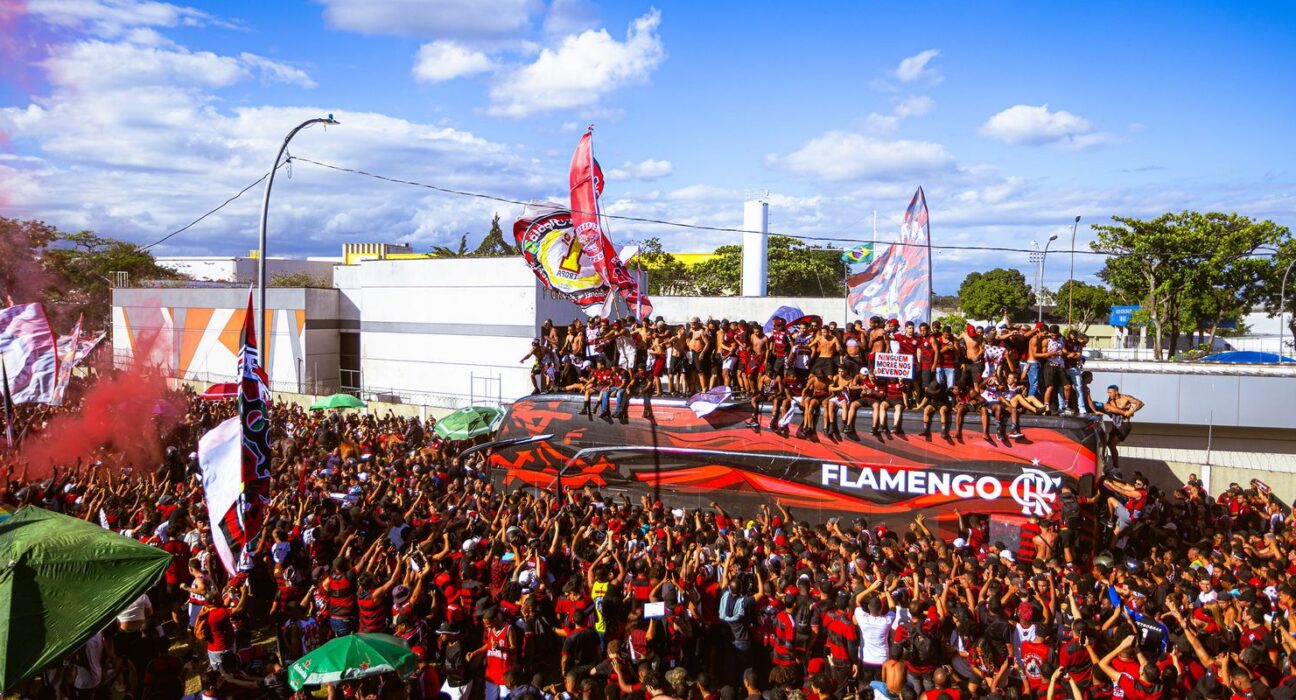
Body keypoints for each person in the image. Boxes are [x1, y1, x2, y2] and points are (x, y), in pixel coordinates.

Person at [1103, 384, 1144, 471]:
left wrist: (1132, 411)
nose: (1109, 394)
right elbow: (1107, 409)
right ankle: (1114, 466)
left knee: (1112, 444)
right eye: (1108, 393)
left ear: (1116, 392)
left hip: (1124, 424)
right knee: (1109, 444)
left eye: (1110, 392)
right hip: (1115, 425)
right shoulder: (1110, 401)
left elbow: (1140, 403)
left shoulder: (1126, 397)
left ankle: (1116, 467)